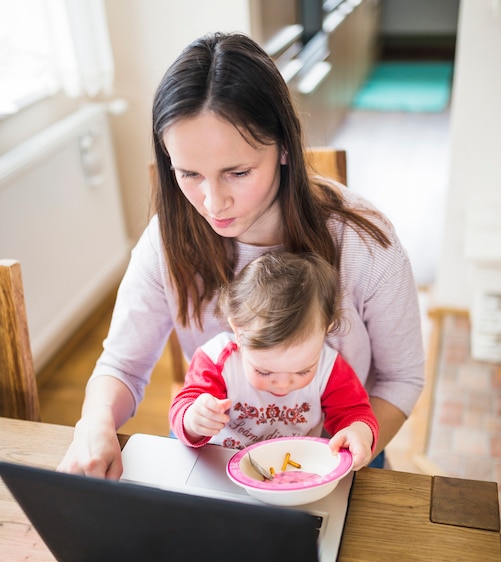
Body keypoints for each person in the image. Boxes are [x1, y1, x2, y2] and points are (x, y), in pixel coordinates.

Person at [57, 31, 424, 479]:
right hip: (217, 456)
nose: (212, 203)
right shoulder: (168, 240)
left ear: (285, 148)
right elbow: (122, 365)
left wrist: (340, 459)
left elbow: (401, 380)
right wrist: (93, 426)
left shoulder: (365, 241)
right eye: (189, 174)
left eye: (237, 172)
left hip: (335, 455)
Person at [170, 251, 379, 471]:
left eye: (302, 372)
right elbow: (183, 407)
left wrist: (359, 432)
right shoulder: (215, 360)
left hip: (294, 472)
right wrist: (194, 419)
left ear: (324, 333)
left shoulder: (329, 366)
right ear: (238, 333)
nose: (282, 384)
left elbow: (354, 412)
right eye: (264, 372)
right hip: (220, 469)